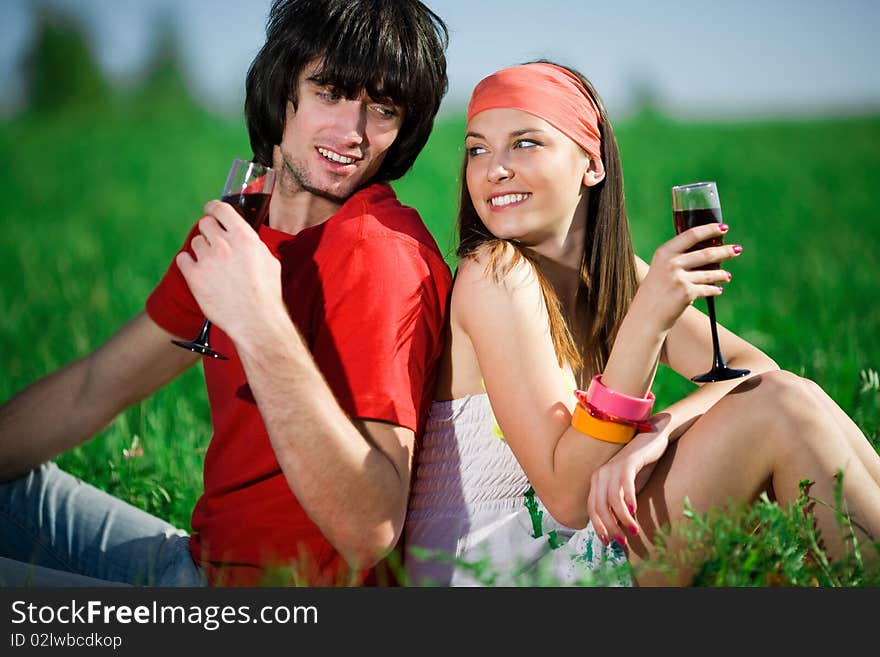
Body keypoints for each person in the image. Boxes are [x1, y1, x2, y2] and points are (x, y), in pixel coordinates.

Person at [0, 0, 451, 587]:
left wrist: (261, 318)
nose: (353, 133)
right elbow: (95, 387)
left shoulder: (380, 255)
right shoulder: (243, 228)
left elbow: (371, 529)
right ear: (282, 85)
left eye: (382, 110)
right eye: (330, 93)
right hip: (195, 565)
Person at [403, 61, 880, 587]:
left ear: (592, 164)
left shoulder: (613, 275)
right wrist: (646, 322)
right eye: (477, 149)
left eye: (525, 143)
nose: (495, 168)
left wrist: (652, 436)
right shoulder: (495, 274)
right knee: (783, 411)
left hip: (578, 539)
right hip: (505, 565)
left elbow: (752, 369)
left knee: (795, 398)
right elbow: (564, 496)